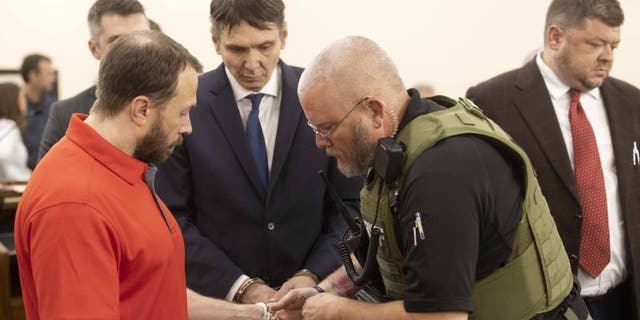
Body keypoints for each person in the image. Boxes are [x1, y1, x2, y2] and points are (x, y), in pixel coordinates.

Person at [270, 36, 589, 320]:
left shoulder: (440, 173)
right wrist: (324, 292)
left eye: (325, 128)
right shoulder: (398, 149)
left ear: (375, 112)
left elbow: (442, 316)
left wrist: (340, 312)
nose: (319, 142)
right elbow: (373, 257)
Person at [155, 0, 362, 306]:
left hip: (315, 300)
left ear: (284, 36)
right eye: (237, 49)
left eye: (265, 46)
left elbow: (350, 206)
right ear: (215, 42)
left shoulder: (324, 97)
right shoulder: (187, 103)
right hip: (222, 302)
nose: (252, 63)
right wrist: (241, 286)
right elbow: (171, 217)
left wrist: (312, 274)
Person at [466, 0, 639, 318]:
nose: (608, 57)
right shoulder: (492, 102)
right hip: (544, 305)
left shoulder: (631, 102)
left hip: (624, 299)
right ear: (555, 37)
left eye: (614, 46)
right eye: (595, 44)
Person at [14, 30, 202, 320]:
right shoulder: (76, 204)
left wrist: (253, 313)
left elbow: (151, 289)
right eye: (182, 113)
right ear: (141, 109)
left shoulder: (122, 166)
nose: (187, 127)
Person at [37, 0, 150, 161]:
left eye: (141, 37)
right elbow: (46, 183)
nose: (134, 50)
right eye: (117, 41)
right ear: (94, 48)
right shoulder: (64, 115)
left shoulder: (180, 108)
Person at [20, 53, 56, 169]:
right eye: (49, 74)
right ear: (33, 76)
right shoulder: (14, 106)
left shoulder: (54, 106)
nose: (53, 78)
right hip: (20, 178)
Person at [0, 82, 31, 181]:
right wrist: (20, 176)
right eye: (22, 97)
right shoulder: (9, 127)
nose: (25, 102)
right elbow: (3, 155)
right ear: (13, 100)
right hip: (15, 189)